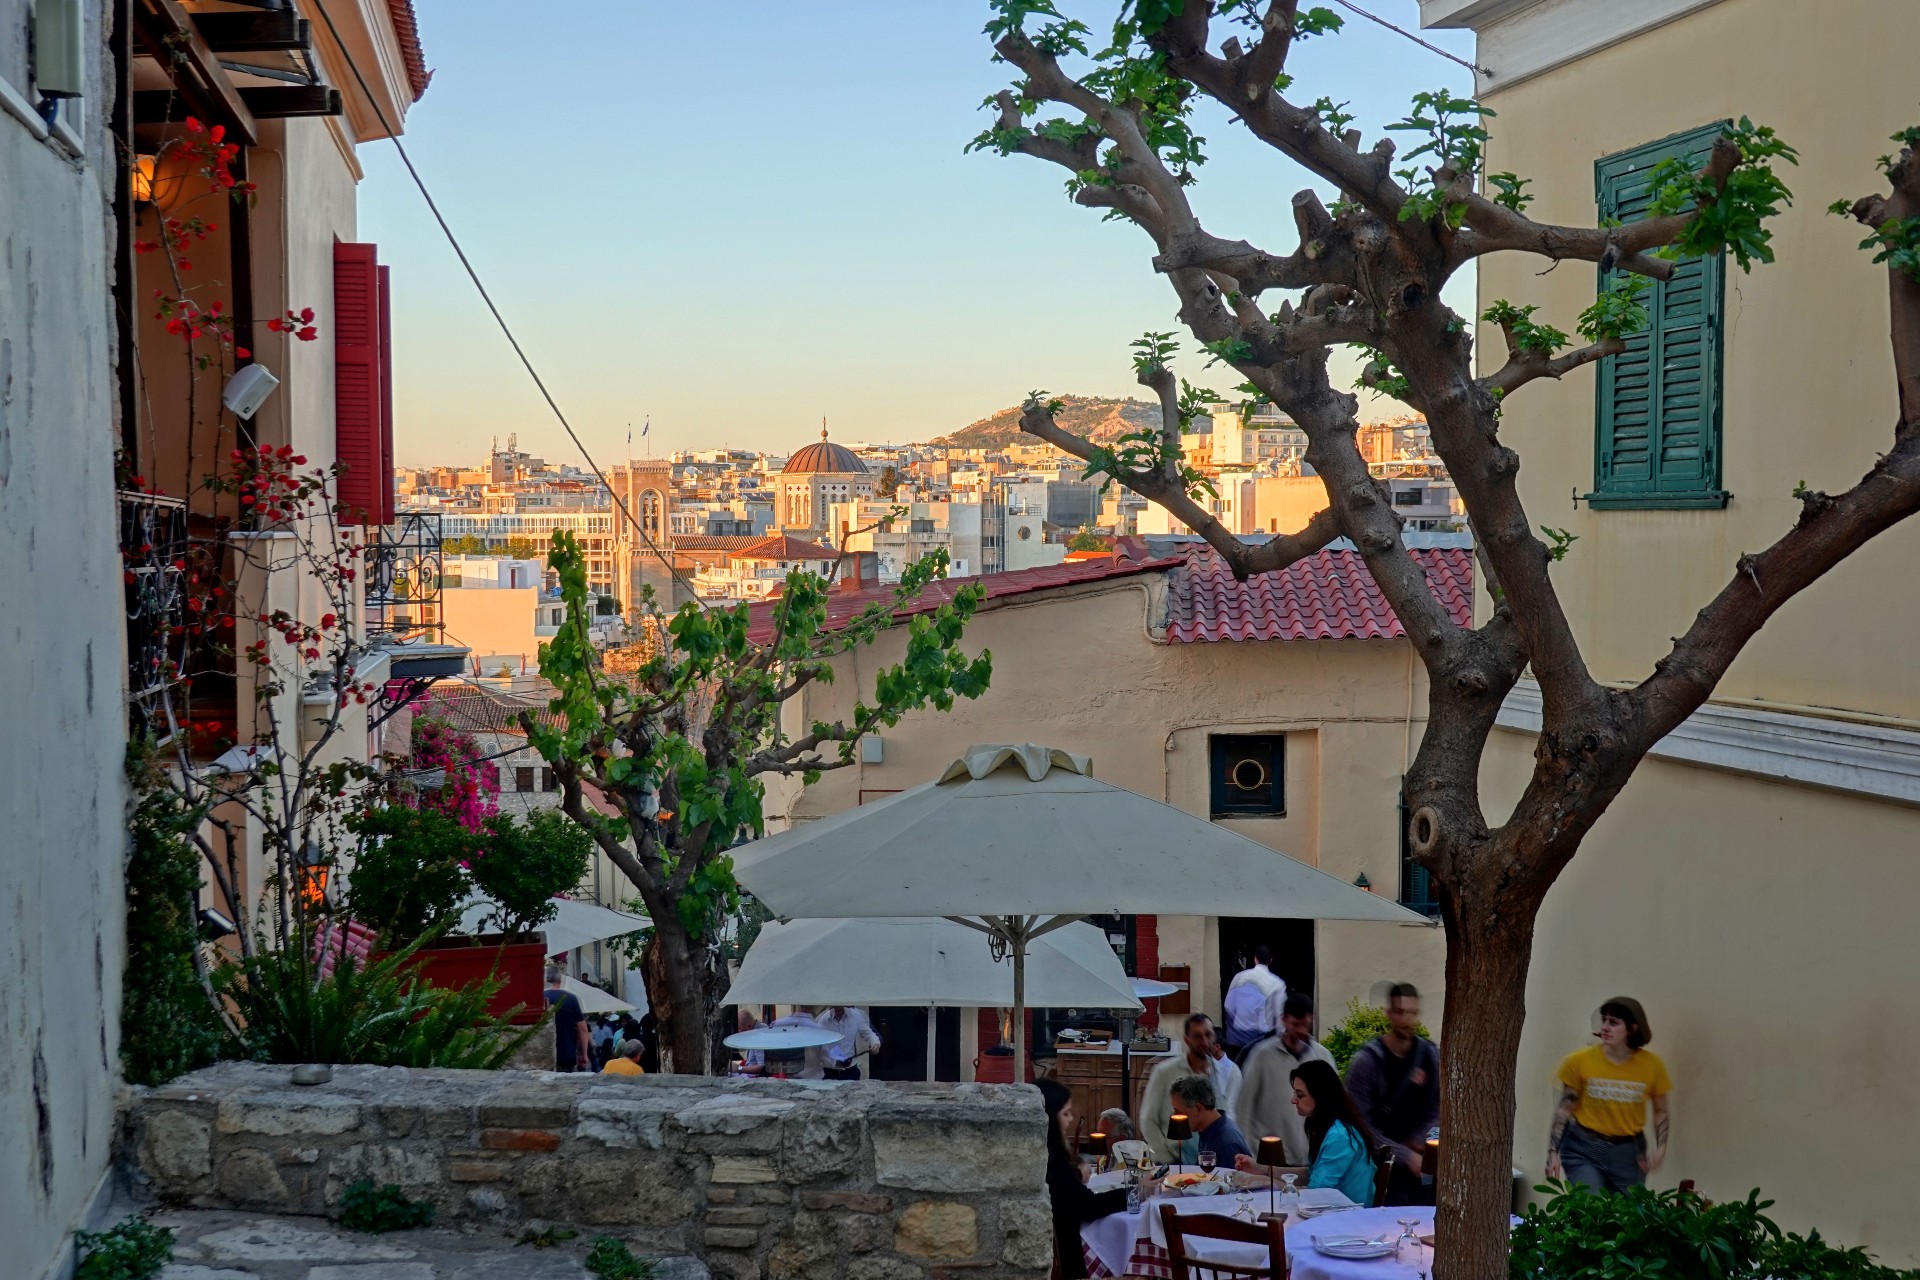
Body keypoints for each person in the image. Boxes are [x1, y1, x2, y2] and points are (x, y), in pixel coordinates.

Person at [1547, 997, 1672, 1193]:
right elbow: (1564, 1109)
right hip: (1583, 1147)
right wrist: (1553, 1152)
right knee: (1589, 1204)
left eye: (1613, 1023)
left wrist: (1661, 1149)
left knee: (1625, 1210)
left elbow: (1661, 1111)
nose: (1605, 1027)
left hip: (1628, 1152)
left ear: (1632, 1029)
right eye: (1604, 1020)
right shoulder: (1578, 1061)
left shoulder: (1652, 1066)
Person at [1040, 1078, 1154, 1280]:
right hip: (1068, 1264)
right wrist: (1138, 1191)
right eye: (1065, 1113)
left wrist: (1074, 1173)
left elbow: (1066, 1192)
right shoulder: (1053, 1159)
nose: (1070, 1119)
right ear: (1050, 1116)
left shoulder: (1044, 1154)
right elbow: (1089, 1206)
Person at [1344, 982, 1438, 1202]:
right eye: (1399, 1012)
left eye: (1412, 1013)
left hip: (1422, 1171)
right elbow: (1359, 1123)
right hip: (1379, 1170)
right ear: (1389, 1013)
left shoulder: (1430, 1055)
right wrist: (1405, 1155)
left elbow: (1440, 1107)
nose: (1406, 1019)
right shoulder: (1368, 1061)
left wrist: (1424, 1138)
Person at [1263, 1059, 1381, 1207]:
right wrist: (1262, 1170)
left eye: (1300, 1095)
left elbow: (1316, 1193)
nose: (1293, 1100)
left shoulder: (1340, 1135)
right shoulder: (1329, 1127)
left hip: (1349, 1216)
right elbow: (1313, 1174)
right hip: (1336, 1211)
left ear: (1320, 1095)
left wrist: (1266, 1182)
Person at [1236, 991, 1334, 1165]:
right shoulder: (1261, 1055)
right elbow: (1244, 1106)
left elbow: (1334, 1105)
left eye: (1305, 1024)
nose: (1301, 1030)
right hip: (1269, 1157)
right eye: (1296, 1024)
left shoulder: (1322, 1056)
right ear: (1284, 1020)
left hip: (1311, 1157)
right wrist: (1248, 1149)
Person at [1139, 1013, 1242, 1161]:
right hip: (1173, 1158)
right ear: (1187, 1040)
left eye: (1208, 1035)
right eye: (1198, 1036)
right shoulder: (1164, 1072)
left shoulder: (1227, 1072)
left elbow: (1230, 1116)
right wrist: (1166, 1158)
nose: (1204, 1041)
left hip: (1211, 1158)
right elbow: (1147, 1119)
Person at [1169, 1075, 1252, 1168]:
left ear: (1198, 1108)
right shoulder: (1207, 1130)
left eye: (1179, 1112)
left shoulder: (1227, 1145)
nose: (1175, 1116)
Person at [1223, 944, 1286, 1062]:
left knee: (1236, 1072)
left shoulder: (1238, 977)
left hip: (1235, 1042)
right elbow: (1279, 1018)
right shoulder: (1277, 984)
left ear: (1255, 959)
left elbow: (1228, 1006)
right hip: (1262, 1045)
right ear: (1271, 960)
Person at [816, 1005, 881, 1080]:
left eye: (839, 1009)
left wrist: (875, 1044)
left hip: (851, 1069)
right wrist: (832, 1062)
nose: (836, 1012)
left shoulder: (856, 1015)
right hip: (830, 1071)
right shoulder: (823, 1021)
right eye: (833, 1008)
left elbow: (868, 1034)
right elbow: (819, 1048)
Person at [543, 966, 590, 1072]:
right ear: (561, 979)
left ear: (547, 979)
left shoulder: (541, 997)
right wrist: (584, 1054)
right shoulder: (571, 999)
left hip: (544, 1054)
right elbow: (583, 1029)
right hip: (566, 1053)